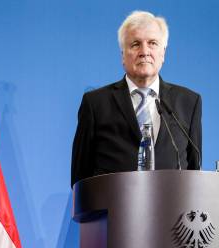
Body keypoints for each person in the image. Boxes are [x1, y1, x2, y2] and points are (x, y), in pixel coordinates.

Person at [71, 11, 202, 186]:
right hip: (112, 210)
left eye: (152, 43)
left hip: (171, 210)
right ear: (122, 55)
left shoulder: (189, 102)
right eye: (135, 44)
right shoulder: (95, 104)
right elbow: (80, 180)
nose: (144, 51)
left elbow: (195, 173)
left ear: (163, 53)